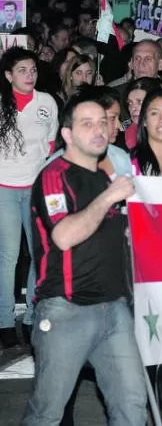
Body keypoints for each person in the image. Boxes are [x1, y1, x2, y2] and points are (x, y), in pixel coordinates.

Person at [22, 91, 146, 425]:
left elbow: (105, 233)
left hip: (114, 308)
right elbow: (63, 236)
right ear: (67, 134)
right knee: (48, 411)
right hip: (67, 309)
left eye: (104, 122)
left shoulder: (103, 178)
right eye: (87, 123)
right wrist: (110, 197)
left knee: (132, 405)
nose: (99, 130)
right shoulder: (54, 175)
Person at [0, 48, 59, 349]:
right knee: (9, 256)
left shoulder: (47, 102)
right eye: (22, 70)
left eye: (33, 69)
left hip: (35, 188)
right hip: (4, 188)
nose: (30, 75)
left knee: (40, 254)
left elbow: (50, 145)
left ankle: (33, 316)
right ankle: (5, 322)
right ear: (9, 75)